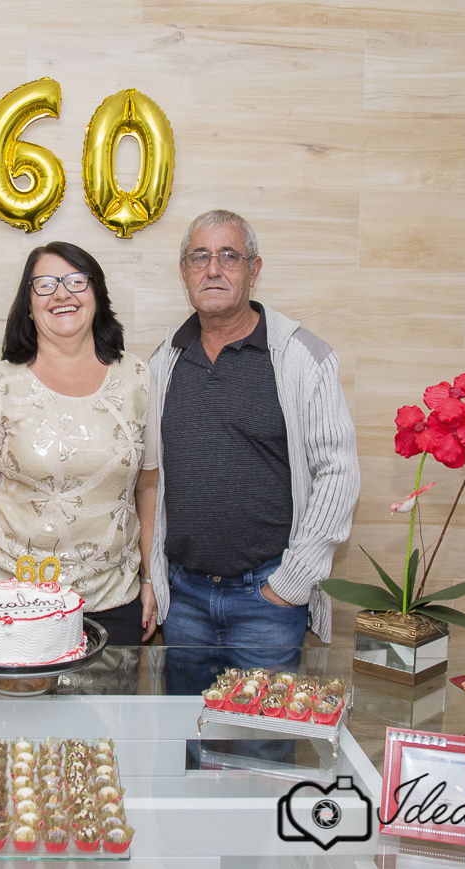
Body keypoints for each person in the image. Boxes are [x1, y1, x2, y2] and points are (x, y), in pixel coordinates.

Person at [148, 209, 359, 683]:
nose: (213, 269)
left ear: (254, 270)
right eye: (199, 257)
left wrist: (290, 585)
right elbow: (150, 482)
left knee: (260, 748)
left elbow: (338, 473)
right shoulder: (164, 364)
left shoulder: (302, 357)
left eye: (229, 256)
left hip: (267, 599)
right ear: (184, 272)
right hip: (184, 603)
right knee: (183, 745)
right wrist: (157, 582)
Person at [0, 242, 158, 645]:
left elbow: (148, 487)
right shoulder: (0, 383)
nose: (62, 293)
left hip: (113, 601)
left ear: (96, 295)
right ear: (28, 306)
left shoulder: (137, 377)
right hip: (12, 604)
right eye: (45, 285)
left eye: (76, 281)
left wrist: (150, 579)